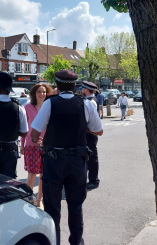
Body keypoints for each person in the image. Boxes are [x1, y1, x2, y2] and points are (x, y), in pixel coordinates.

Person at [31, 70, 103, 245]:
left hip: (54, 161)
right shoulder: (85, 104)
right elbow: (98, 130)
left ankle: (55, 241)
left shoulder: (50, 104)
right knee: (76, 206)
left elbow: (34, 134)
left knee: (52, 208)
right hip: (77, 161)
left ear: (57, 85)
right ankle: (76, 242)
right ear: (75, 85)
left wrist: (40, 142)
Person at [20, 83, 53, 207]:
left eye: (44, 92)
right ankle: (29, 199)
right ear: (34, 93)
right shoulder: (28, 107)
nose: (42, 94)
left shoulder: (49, 107)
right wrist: (22, 145)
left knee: (43, 176)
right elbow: (24, 128)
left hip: (46, 145)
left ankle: (39, 199)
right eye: (39, 91)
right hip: (31, 145)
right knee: (32, 175)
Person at [82, 81, 101, 190]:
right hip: (89, 133)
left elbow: (88, 120)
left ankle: (94, 180)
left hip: (90, 133)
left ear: (85, 90)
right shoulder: (90, 100)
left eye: (82, 89)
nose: (81, 91)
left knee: (92, 158)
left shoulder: (91, 102)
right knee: (89, 157)